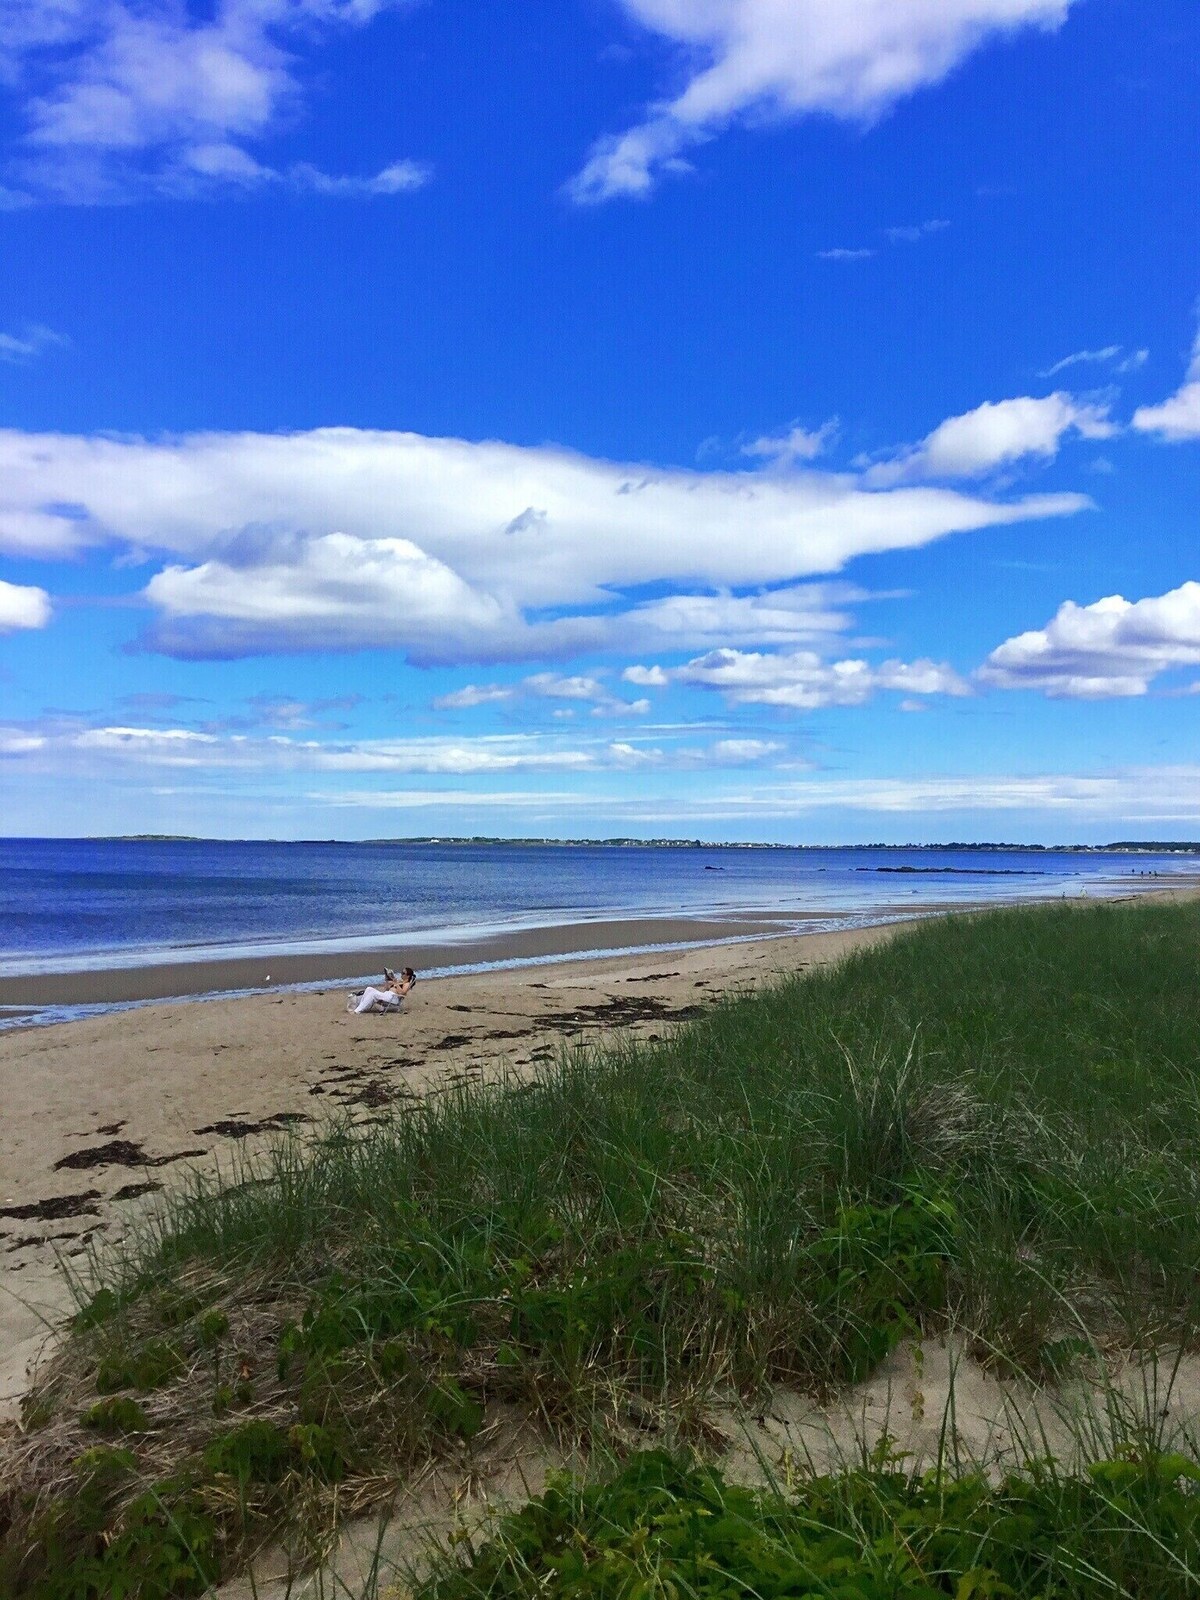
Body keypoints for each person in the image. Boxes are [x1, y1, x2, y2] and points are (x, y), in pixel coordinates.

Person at [347, 967, 416, 1014]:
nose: (401, 974)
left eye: (403, 973)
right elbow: (386, 989)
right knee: (369, 989)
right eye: (401, 972)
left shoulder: (406, 984)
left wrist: (396, 983)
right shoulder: (400, 981)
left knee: (373, 994)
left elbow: (403, 993)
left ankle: (357, 1010)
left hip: (393, 998)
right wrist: (388, 980)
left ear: (408, 976)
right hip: (387, 994)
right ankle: (361, 1007)